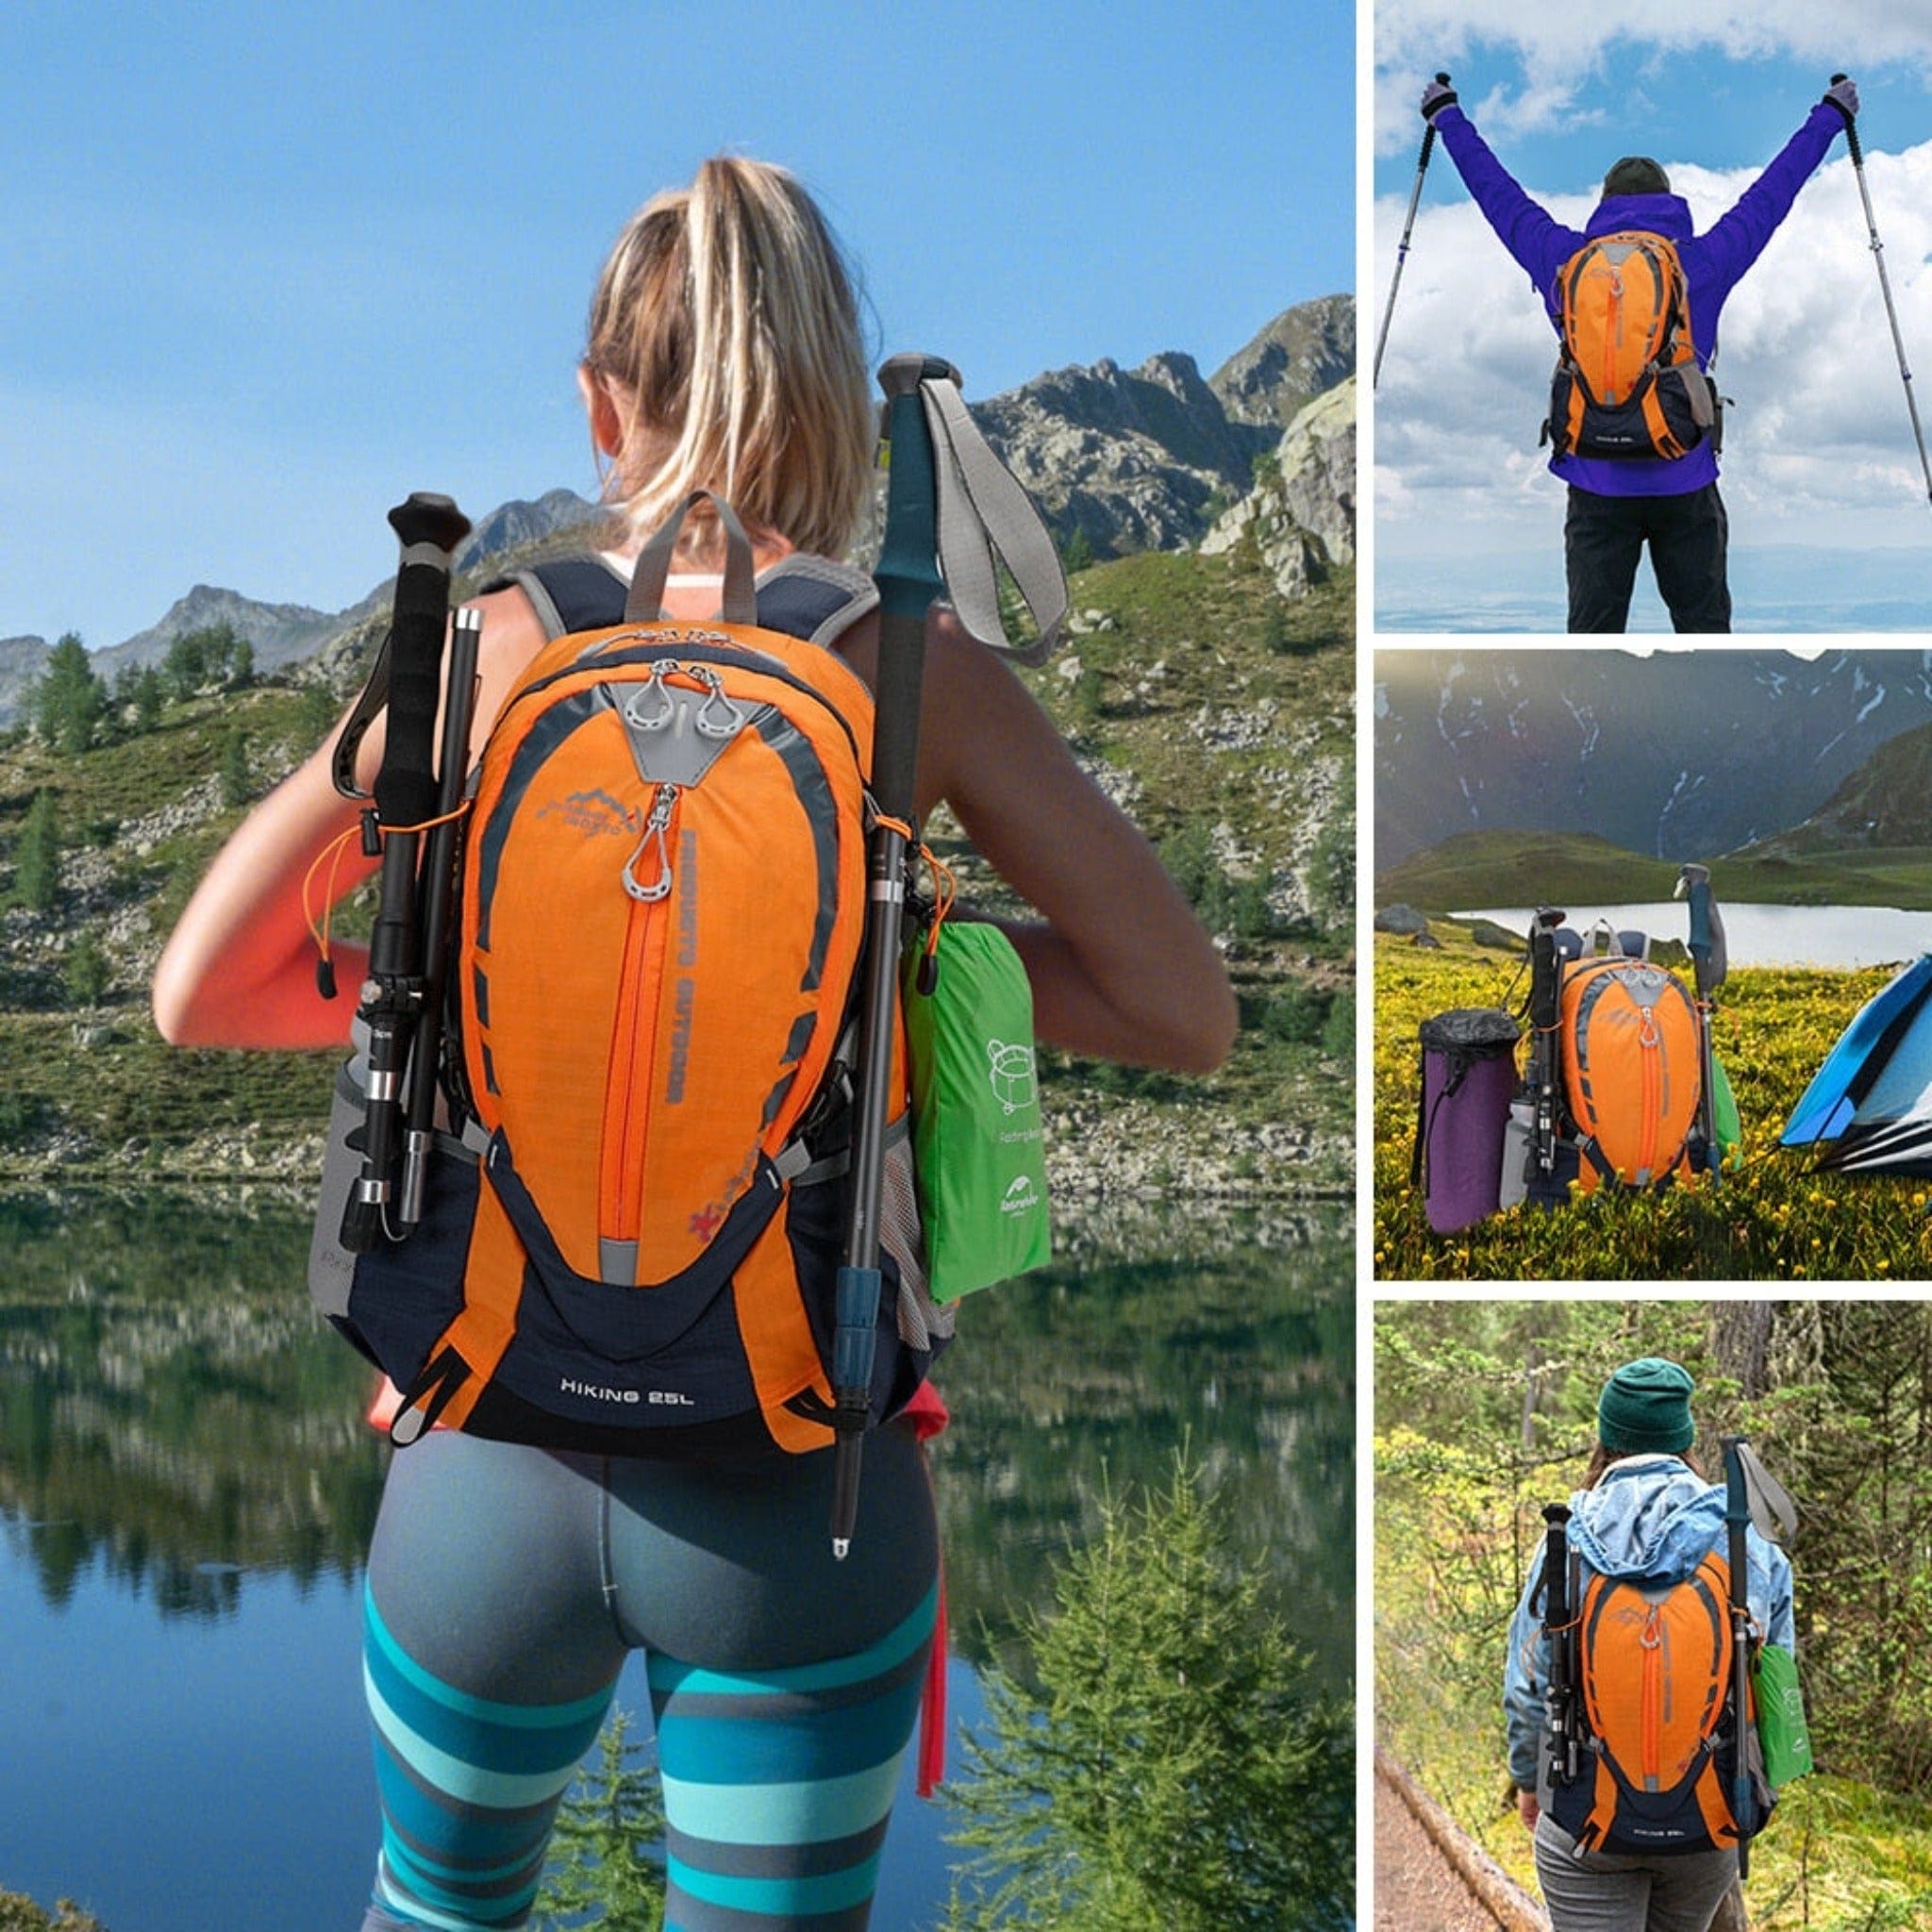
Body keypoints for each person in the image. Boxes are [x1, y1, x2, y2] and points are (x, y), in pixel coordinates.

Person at [151, 156, 1236, 1931]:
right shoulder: (908, 665)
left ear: (596, 404)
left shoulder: (493, 644)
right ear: (831, 393)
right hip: (798, 1497)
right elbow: (1181, 1011)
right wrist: (880, 971)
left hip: (483, 1472)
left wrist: (452, 1003)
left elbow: (202, 985)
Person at [1419, 75, 1858, 633]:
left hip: (1594, 483)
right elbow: (1773, 192)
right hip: (1685, 478)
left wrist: (1446, 114)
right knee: (1704, 636)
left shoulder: (1564, 260)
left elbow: (1497, 195)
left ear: (1604, 206)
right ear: (1670, 203)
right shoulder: (1701, 262)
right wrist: (1830, 115)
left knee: (1592, 644)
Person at [1503, 1358, 1796, 1932]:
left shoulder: (1565, 1537)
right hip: (1707, 1819)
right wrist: (1757, 1789)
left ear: (1607, 1438)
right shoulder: (1746, 1542)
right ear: (1683, 1440)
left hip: (1584, 1814)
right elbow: (1779, 1690)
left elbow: (1526, 1682)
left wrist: (1526, 1780)